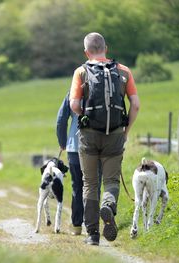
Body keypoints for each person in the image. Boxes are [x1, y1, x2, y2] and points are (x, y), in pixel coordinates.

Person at [69, 32, 140, 245]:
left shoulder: (81, 72)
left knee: (90, 183)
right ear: (106, 48)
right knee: (110, 180)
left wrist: (83, 116)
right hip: (116, 134)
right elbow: (135, 104)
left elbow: (73, 105)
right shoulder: (124, 71)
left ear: (86, 51)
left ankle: (92, 235)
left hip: (89, 135)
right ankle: (108, 205)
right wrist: (125, 131)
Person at [56, 92, 102, 236]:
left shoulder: (72, 93)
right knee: (94, 185)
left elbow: (61, 120)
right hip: (96, 146)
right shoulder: (101, 91)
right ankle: (92, 227)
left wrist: (63, 142)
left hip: (74, 147)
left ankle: (76, 226)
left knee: (77, 186)